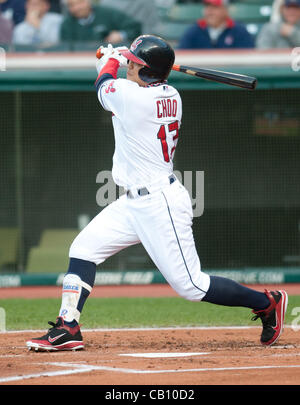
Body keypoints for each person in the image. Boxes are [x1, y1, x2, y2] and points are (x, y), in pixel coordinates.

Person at [26, 34, 288, 352]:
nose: (130, 67)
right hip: (132, 202)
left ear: (146, 70)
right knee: (84, 248)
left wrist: (112, 57)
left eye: (136, 64)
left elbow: (103, 81)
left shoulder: (132, 97)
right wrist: (125, 58)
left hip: (159, 203)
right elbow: (116, 79)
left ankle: (266, 303)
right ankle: (68, 326)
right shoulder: (171, 93)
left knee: (192, 286)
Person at [178, 0, 254, 49]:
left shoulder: (240, 31)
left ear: (225, 10)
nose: (210, 11)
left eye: (215, 7)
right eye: (207, 6)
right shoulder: (193, 31)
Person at [60, 0, 141, 45]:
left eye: (80, 2)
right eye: (71, 5)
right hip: (82, 62)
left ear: (88, 1)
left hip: (111, 60)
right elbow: (66, 47)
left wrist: (121, 35)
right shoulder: (66, 24)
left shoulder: (108, 13)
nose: (76, 8)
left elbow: (136, 28)